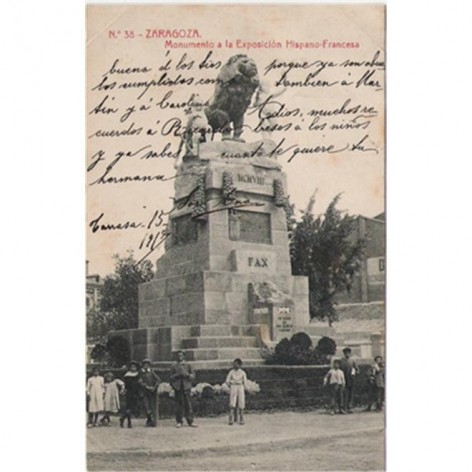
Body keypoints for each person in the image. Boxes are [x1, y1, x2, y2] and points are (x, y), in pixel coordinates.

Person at [169, 350, 197, 428]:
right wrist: (177, 375)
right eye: (178, 355)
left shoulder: (188, 365)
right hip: (178, 387)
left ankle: (190, 421)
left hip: (186, 386)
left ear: (184, 356)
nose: (179, 357)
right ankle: (179, 421)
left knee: (188, 404)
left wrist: (187, 375)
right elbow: (170, 377)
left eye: (181, 355)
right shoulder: (174, 366)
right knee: (179, 405)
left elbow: (193, 376)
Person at [139, 358, 162, 427]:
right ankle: (149, 419)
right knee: (146, 407)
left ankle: (152, 421)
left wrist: (154, 387)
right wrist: (146, 386)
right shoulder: (141, 372)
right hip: (144, 392)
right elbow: (140, 381)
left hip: (152, 392)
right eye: (144, 365)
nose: (146, 366)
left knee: (153, 406)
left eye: (147, 365)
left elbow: (158, 380)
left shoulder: (151, 372)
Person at [225, 358, 247, 425]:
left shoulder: (242, 373)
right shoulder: (231, 372)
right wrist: (230, 385)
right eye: (234, 364)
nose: (234, 365)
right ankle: (231, 419)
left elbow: (245, 382)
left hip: (240, 386)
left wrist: (245, 387)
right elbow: (227, 381)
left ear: (239, 365)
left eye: (236, 364)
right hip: (233, 386)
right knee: (232, 402)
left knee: (241, 401)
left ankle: (241, 418)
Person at [119, 360, 141, 428]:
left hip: (136, 392)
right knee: (129, 407)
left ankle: (123, 418)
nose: (133, 368)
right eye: (132, 367)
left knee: (133, 408)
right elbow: (127, 385)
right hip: (130, 392)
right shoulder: (127, 375)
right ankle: (128, 422)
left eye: (134, 367)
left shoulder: (138, 374)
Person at [338, 347, 360, 413]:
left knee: (350, 393)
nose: (347, 354)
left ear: (350, 353)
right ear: (344, 353)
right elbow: (338, 369)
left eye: (348, 353)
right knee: (343, 393)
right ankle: (343, 407)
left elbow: (357, 369)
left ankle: (349, 407)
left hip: (350, 379)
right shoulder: (341, 360)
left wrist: (355, 373)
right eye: (345, 353)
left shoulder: (352, 360)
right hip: (343, 378)